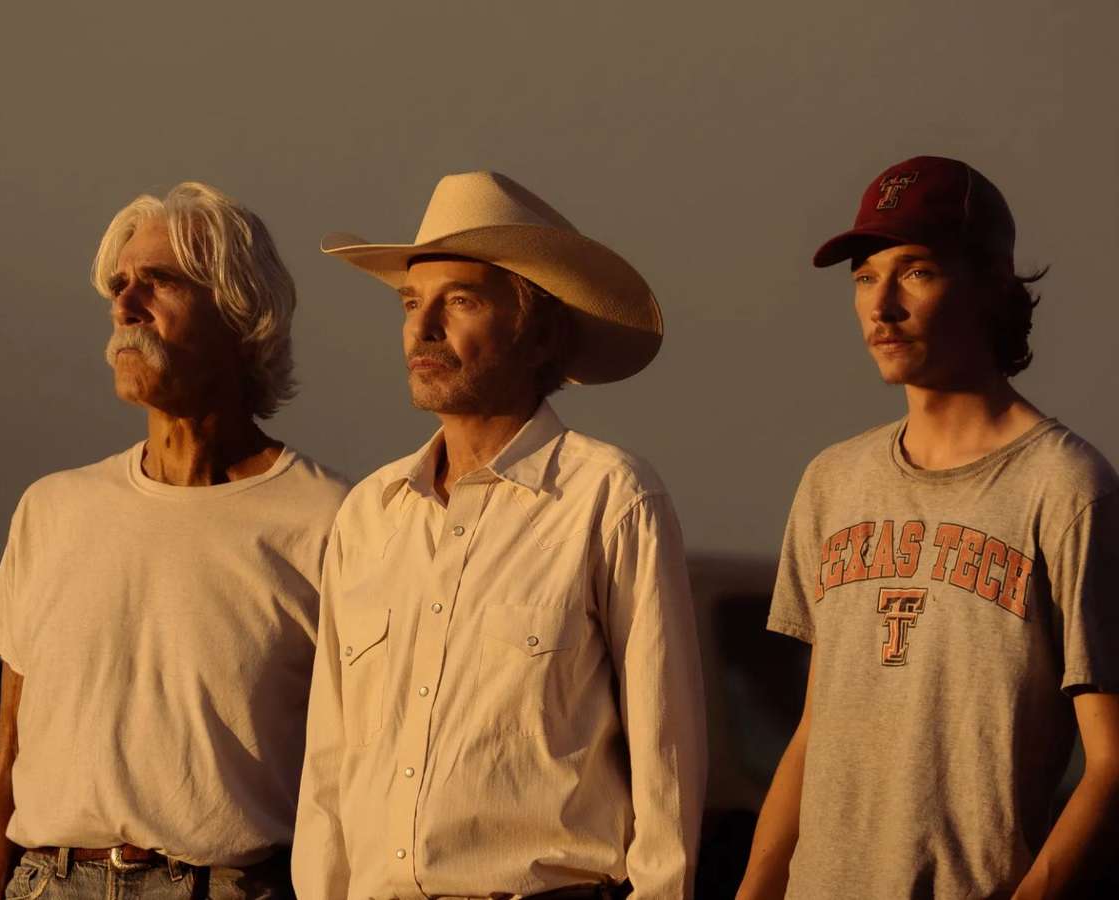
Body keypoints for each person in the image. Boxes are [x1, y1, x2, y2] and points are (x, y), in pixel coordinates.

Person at [292, 171, 707, 899]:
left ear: (536, 331)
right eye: (411, 303)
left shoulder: (610, 499)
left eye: (460, 301)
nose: (423, 329)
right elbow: (329, 766)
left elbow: (665, 756)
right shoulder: (368, 515)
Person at [736, 156, 1119, 899]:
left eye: (916, 272)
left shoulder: (1066, 488)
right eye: (864, 278)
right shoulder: (832, 481)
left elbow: (1110, 763)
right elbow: (816, 730)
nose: (881, 307)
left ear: (991, 286)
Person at [0, 182, 348, 899]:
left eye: (159, 281)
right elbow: (6, 754)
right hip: (46, 881)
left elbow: (357, 767)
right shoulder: (51, 509)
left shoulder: (332, 518)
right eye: (119, 286)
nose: (126, 305)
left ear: (241, 312)